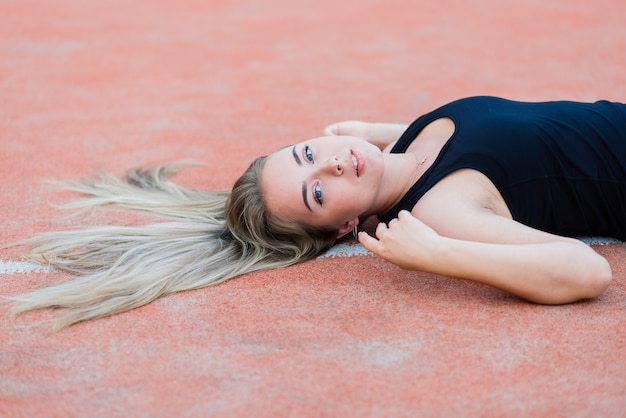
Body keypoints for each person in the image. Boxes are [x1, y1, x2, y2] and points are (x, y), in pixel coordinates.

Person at [6, 96, 625, 330]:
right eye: (318, 193)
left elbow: (497, 131)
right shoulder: (443, 209)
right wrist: (441, 256)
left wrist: (374, 129)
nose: (331, 165)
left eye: (307, 154)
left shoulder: (406, 142)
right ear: (343, 229)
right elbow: (586, 274)